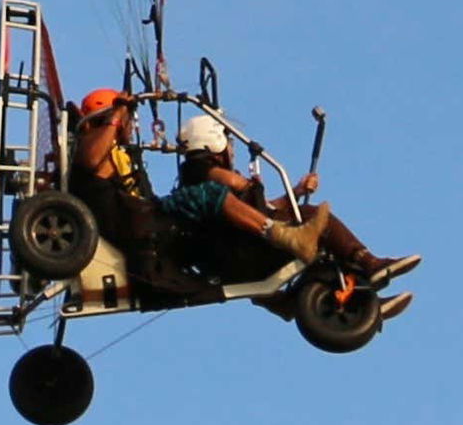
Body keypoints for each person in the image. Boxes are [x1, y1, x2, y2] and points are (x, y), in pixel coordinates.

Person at [68, 89, 329, 293]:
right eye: (127, 120)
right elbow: (91, 160)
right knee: (211, 196)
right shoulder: (90, 152)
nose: (130, 124)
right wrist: (118, 113)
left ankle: (278, 293)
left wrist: (294, 191)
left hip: (149, 221)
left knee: (219, 228)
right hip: (146, 226)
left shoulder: (115, 155)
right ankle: (284, 237)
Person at [177, 114, 421, 318]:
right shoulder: (200, 173)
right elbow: (234, 191)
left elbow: (259, 211)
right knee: (313, 217)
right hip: (239, 250)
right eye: (228, 141)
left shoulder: (207, 185)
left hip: (237, 248)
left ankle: (362, 303)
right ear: (214, 141)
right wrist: (247, 184)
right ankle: (369, 262)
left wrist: (297, 191)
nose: (232, 148)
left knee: (317, 249)